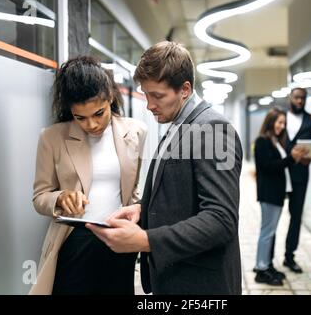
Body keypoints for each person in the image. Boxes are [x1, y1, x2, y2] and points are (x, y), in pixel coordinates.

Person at [86, 41, 243, 295]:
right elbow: (181, 190)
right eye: (146, 94)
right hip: (175, 278)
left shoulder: (213, 130)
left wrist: (145, 240)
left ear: (184, 89)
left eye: (157, 96)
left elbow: (220, 219)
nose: (149, 105)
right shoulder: (180, 123)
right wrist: (143, 209)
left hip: (199, 284)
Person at [29, 56, 147, 295]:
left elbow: (132, 191)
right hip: (74, 242)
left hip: (118, 240)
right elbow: (40, 197)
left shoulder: (135, 131)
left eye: (99, 113)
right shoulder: (52, 137)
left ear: (110, 97)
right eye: (80, 117)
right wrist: (60, 198)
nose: (91, 124)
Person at [253, 108, 307, 285]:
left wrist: (293, 158)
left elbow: (279, 164)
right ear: (270, 122)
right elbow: (268, 166)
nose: (281, 126)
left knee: (270, 232)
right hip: (268, 193)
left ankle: (267, 265)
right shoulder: (262, 141)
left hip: (276, 193)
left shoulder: (275, 141)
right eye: (279, 122)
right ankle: (261, 269)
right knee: (267, 232)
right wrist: (291, 158)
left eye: (284, 123)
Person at [268, 87, 311, 274]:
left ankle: (290, 256)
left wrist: (309, 157)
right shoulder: (280, 118)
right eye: (297, 98)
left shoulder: (310, 120)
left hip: (299, 175)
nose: (300, 101)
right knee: (273, 218)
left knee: (296, 217)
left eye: (303, 99)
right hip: (279, 174)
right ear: (290, 98)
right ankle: (268, 259)